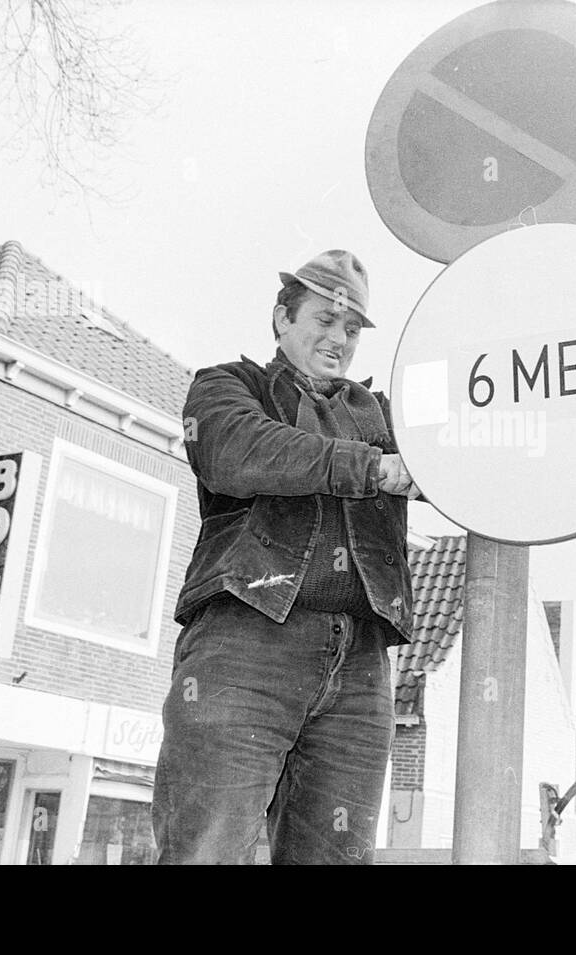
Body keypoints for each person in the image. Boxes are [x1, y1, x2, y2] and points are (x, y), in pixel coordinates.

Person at [153, 249, 417, 864]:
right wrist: (371, 467)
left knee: (336, 858)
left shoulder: (385, 415)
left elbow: (465, 456)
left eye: (351, 329)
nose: (339, 339)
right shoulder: (226, 387)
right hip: (245, 643)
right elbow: (237, 451)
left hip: (362, 664)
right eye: (324, 321)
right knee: (207, 850)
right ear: (281, 318)